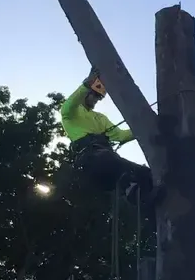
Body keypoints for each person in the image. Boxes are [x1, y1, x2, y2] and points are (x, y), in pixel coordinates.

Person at [60, 74, 153, 204]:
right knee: (109, 159)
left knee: (146, 173)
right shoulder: (70, 114)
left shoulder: (100, 118)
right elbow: (69, 105)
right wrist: (86, 84)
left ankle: (148, 199)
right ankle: (129, 189)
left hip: (107, 159)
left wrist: (146, 127)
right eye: (95, 95)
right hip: (91, 162)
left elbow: (120, 136)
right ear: (86, 93)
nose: (96, 100)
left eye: (99, 97)